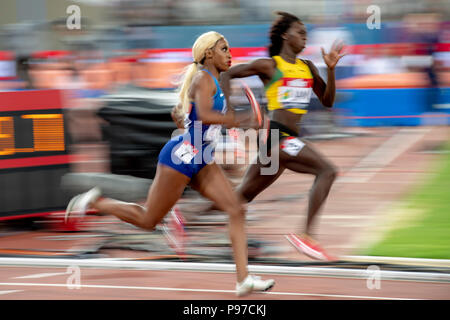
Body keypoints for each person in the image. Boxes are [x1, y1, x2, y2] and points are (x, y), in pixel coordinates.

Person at [65, 31, 275, 296]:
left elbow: (198, 118)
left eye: (229, 49)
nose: (229, 54)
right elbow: (208, 116)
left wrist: (243, 121)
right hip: (182, 157)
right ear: (208, 53)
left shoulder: (215, 81)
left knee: (236, 210)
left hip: (202, 159)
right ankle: (97, 201)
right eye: (224, 49)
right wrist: (240, 120)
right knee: (148, 220)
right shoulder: (202, 78)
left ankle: (243, 279)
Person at [219, 12, 345, 261]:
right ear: (286, 35)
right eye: (300, 32)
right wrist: (229, 108)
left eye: (306, 33)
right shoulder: (271, 65)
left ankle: (183, 218)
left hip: (283, 140)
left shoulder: (307, 68)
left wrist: (330, 70)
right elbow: (225, 74)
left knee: (241, 195)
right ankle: (307, 237)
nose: (305, 37)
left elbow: (328, 101)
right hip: (278, 137)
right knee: (327, 171)